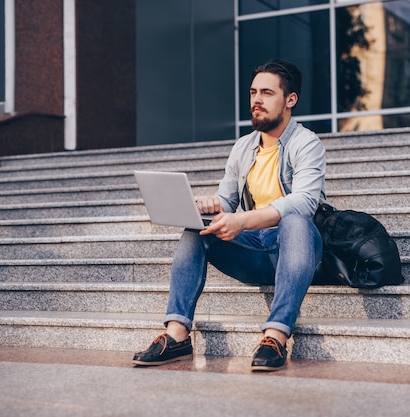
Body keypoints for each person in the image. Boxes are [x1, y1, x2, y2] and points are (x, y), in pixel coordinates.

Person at [132, 59, 326, 371]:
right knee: (198, 229)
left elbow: (304, 202)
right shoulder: (243, 147)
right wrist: (212, 205)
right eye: (253, 92)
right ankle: (177, 334)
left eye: (267, 92)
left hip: (297, 250)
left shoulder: (306, 143)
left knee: (295, 220)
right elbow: (227, 199)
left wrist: (242, 220)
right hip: (255, 252)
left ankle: (275, 336)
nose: (257, 100)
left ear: (290, 100)